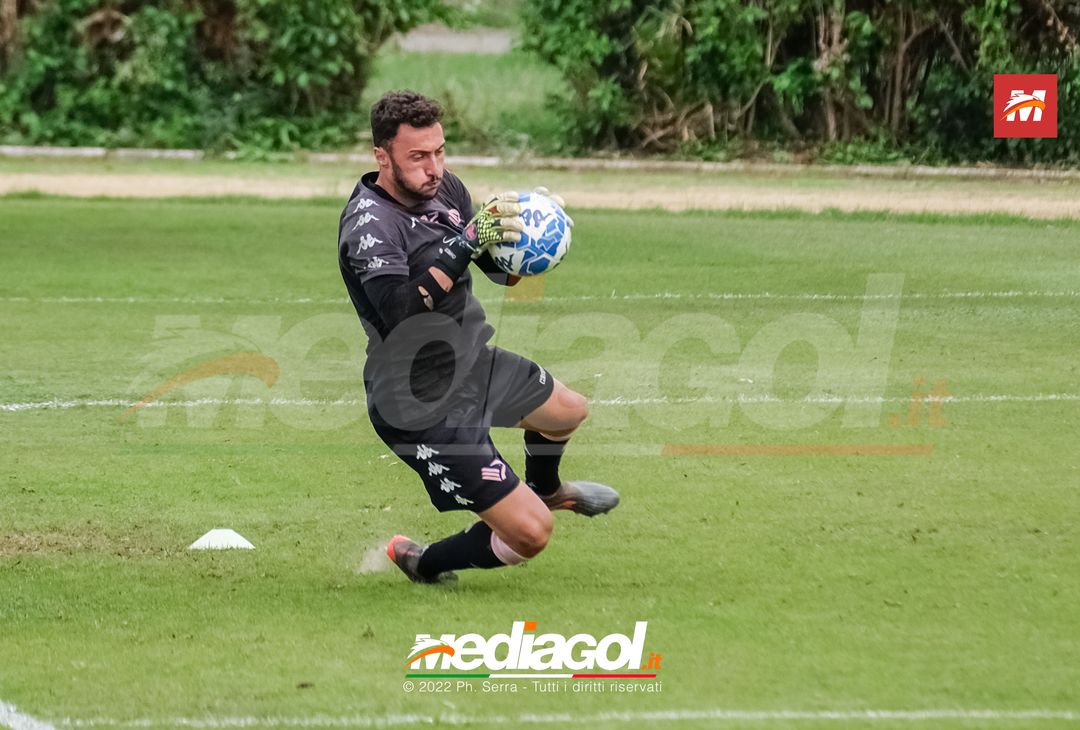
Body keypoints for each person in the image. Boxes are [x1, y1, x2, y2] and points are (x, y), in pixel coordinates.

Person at [338, 90, 619, 584]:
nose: (434, 168)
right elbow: (401, 313)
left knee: (568, 412)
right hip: (420, 404)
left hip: (471, 361)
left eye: (440, 152)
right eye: (418, 157)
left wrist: (530, 239)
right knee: (532, 535)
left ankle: (545, 488)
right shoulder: (370, 227)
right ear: (382, 156)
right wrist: (464, 242)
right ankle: (424, 562)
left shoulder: (445, 190)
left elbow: (494, 270)